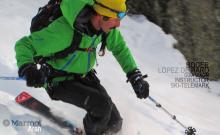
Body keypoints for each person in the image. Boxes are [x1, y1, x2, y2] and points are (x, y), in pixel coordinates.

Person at [15, 0, 149, 134]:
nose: (119, 23)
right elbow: (25, 45)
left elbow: (120, 48)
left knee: (114, 123)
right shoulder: (64, 32)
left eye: (122, 16)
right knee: (101, 107)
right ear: (102, 15)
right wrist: (27, 68)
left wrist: (134, 75)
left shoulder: (106, 29)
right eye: (117, 17)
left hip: (84, 77)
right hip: (58, 81)